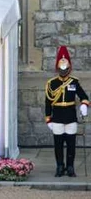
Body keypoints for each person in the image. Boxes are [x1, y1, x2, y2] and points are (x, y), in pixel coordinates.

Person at [45, 46, 89, 177]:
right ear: (57, 69)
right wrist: (48, 119)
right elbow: (48, 102)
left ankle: (70, 166)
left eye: (65, 69)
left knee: (71, 145)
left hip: (70, 117)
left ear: (69, 68)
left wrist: (84, 105)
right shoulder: (51, 83)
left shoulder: (74, 82)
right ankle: (60, 166)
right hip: (57, 117)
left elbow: (83, 96)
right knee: (58, 145)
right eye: (61, 69)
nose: (63, 71)